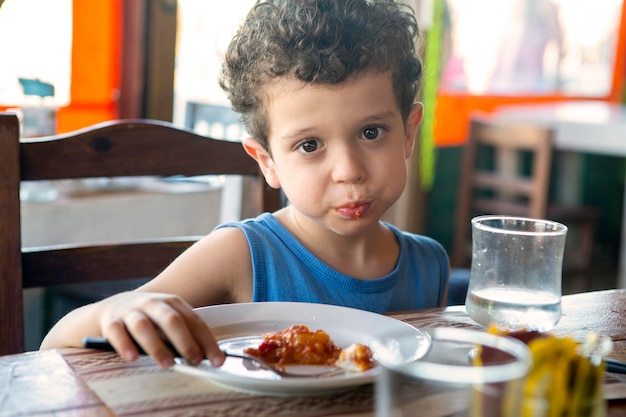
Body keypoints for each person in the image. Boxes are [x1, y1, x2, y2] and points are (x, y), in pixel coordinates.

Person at [40, 0, 449, 369]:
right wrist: (122, 309)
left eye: (372, 133)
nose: (348, 170)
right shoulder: (239, 255)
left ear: (409, 132)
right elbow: (55, 346)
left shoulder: (429, 264)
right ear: (267, 162)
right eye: (310, 145)